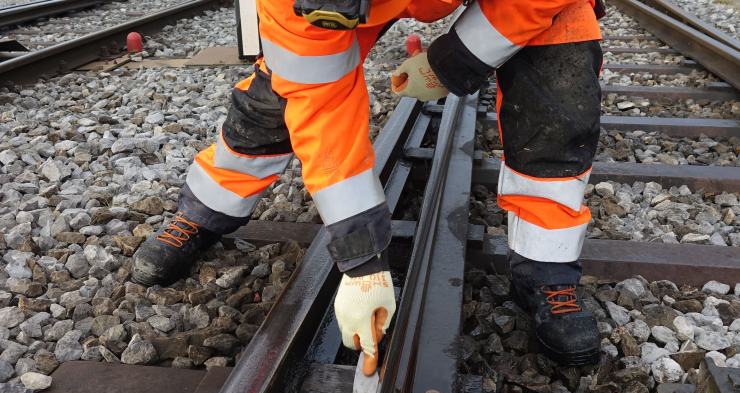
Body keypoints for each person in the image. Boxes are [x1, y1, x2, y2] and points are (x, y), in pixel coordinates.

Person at [132, 0, 605, 371]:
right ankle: (206, 209)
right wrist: (363, 262)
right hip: (348, 5)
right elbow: (320, 107)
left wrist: (453, 62)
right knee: (283, 93)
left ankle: (548, 270)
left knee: (561, 57)